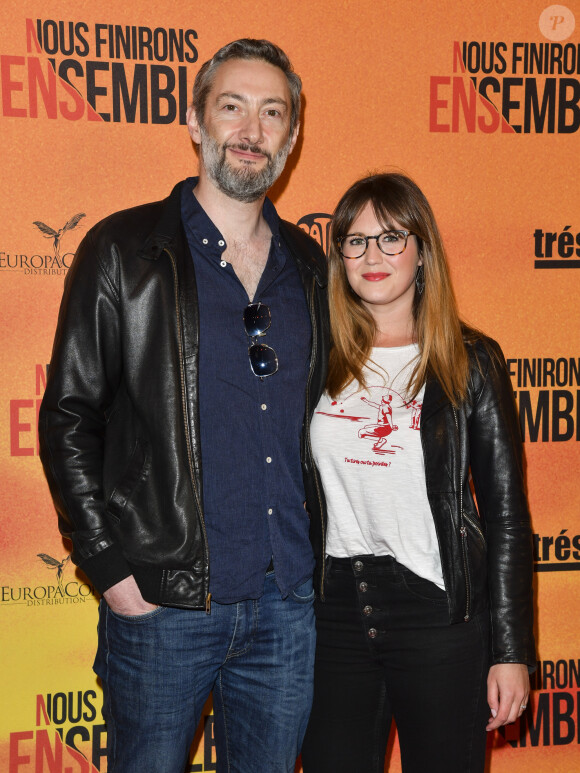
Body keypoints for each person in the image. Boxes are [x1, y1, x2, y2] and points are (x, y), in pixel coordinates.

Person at [39, 39, 329, 773]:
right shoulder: (123, 250)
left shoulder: (312, 266)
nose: (251, 130)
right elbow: (70, 415)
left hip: (287, 604)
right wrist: (108, 567)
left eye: (272, 113)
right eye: (231, 107)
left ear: (291, 139)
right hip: (162, 605)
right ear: (196, 122)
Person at [300, 173, 536, 773]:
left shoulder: (471, 360)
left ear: (422, 249)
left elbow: (507, 516)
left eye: (391, 238)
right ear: (339, 257)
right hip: (335, 614)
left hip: (437, 614)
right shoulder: (315, 356)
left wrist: (511, 651)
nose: (372, 256)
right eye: (354, 241)